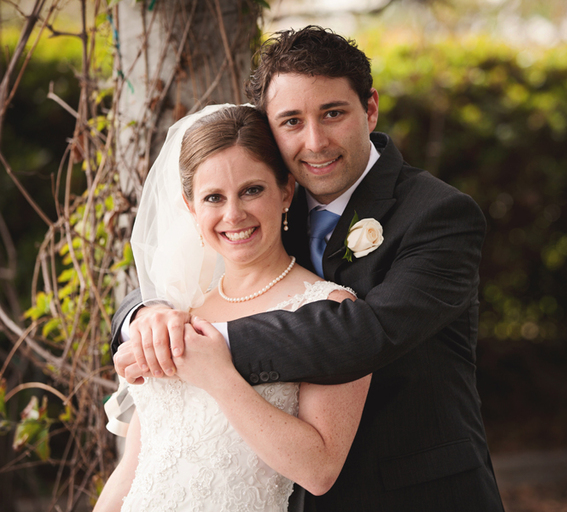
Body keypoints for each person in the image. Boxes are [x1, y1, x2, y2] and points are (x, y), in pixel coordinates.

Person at [112, 26, 504, 511]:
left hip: (414, 492)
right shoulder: (263, 202)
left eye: (333, 114)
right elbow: (191, 270)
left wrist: (209, 345)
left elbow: (366, 333)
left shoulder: (438, 215)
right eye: (292, 121)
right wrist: (147, 315)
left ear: (370, 108)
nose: (315, 142)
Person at [95, 105, 370, 512]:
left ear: (286, 192)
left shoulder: (329, 309)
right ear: (191, 208)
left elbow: (320, 469)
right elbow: (135, 467)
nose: (233, 214)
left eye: (252, 190)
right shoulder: (177, 310)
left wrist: (219, 377)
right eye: (213, 198)